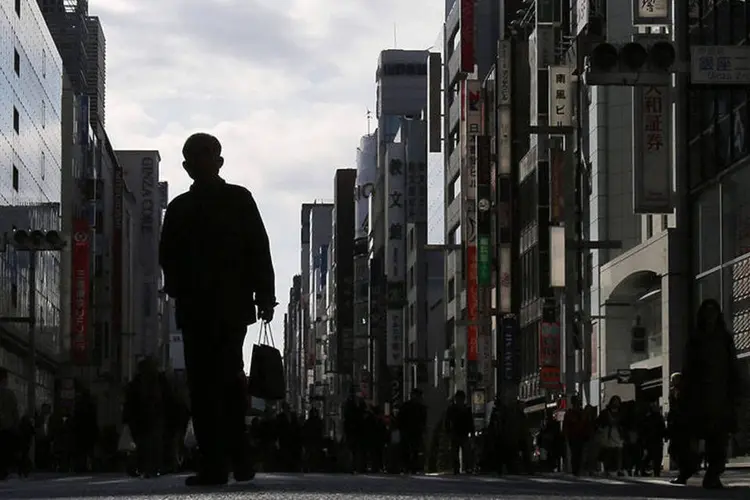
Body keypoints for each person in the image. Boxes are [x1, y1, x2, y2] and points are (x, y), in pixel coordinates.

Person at [159, 132, 276, 486]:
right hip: (212, 305)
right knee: (213, 383)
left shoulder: (229, 200)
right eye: (195, 155)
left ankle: (226, 461)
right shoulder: (185, 207)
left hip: (217, 306)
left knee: (216, 382)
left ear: (219, 161)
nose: (201, 161)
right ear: (186, 165)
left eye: (207, 154)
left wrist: (265, 296)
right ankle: (229, 460)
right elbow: (168, 257)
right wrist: (262, 296)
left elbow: (258, 247)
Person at [673, 299, 743, 489]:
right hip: (698, 396)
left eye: (713, 312)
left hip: (719, 396)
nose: (710, 316)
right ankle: (686, 470)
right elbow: (688, 367)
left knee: (718, 441)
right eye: (707, 312)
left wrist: (736, 392)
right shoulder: (696, 338)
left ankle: (713, 474)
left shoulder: (724, 338)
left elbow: (733, 366)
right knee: (690, 439)